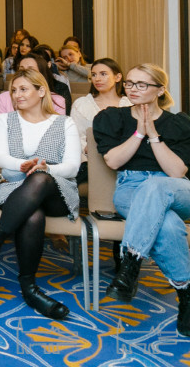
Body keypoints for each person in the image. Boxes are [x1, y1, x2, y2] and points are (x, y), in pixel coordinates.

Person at [0, 68, 81, 318]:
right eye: (14, 90)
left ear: (41, 91)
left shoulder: (64, 122)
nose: (17, 95)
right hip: (15, 188)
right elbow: (1, 158)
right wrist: (24, 165)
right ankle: (29, 288)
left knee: (40, 178)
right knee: (32, 215)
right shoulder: (5, 120)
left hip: (57, 192)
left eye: (24, 89)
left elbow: (73, 167)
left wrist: (46, 168)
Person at [93, 63, 190, 335]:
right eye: (129, 83)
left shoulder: (179, 123)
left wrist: (154, 135)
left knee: (156, 184)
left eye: (142, 84)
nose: (133, 89)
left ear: (160, 90)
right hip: (130, 188)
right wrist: (139, 133)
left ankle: (130, 264)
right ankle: (186, 295)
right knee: (168, 225)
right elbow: (113, 161)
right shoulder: (112, 118)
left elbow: (177, 172)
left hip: (175, 188)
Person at [69, 58, 130, 169]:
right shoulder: (82, 104)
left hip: (127, 160)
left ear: (117, 77)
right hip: (90, 162)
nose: (97, 79)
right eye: (93, 75)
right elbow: (77, 137)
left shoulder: (129, 104)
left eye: (103, 74)